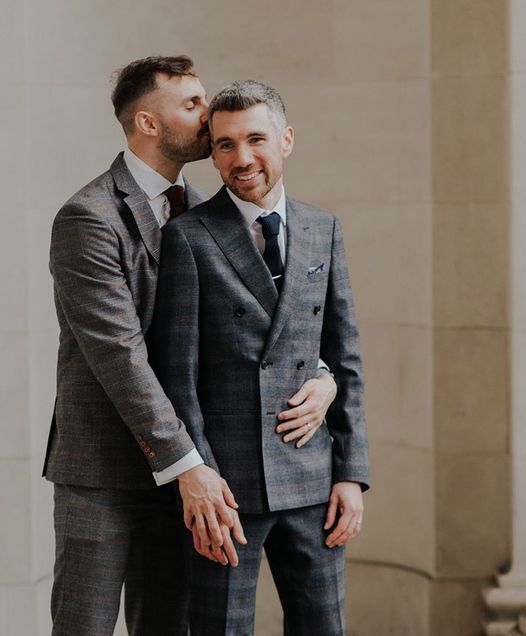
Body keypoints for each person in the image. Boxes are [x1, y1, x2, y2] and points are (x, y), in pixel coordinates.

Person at [43, 57, 339, 636]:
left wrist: (323, 374)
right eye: (192, 104)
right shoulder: (89, 217)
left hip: (192, 480)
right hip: (107, 471)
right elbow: (120, 356)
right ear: (149, 123)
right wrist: (189, 465)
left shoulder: (210, 210)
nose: (208, 118)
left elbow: (261, 328)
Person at [152, 80, 370, 635]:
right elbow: (179, 377)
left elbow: (343, 357)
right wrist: (197, 481)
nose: (241, 158)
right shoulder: (189, 237)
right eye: (225, 144)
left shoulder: (323, 229)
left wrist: (351, 474)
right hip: (227, 492)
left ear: (286, 140)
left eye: (255, 139)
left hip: (314, 480)